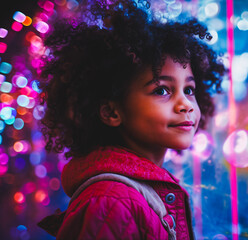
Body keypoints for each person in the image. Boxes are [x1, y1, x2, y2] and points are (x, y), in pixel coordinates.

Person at [36, 0, 225, 239]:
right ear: (112, 112)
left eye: (189, 90)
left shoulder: (138, 192)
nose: (186, 104)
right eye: (162, 90)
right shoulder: (110, 202)